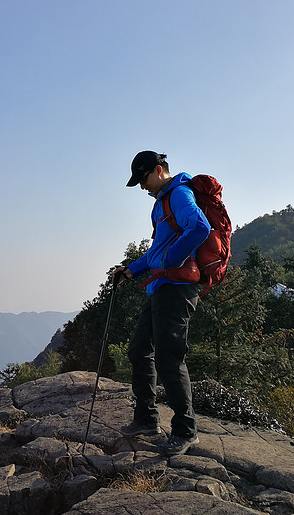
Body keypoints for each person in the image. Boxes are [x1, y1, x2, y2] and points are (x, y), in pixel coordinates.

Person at [112, 150, 211, 456]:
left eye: (143, 179)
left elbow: (200, 228)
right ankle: (146, 419)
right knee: (139, 349)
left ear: (158, 170)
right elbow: (157, 249)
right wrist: (131, 270)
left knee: (169, 357)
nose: (143, 187)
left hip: (177, 287)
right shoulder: (162, 203)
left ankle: (185, 431)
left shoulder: (179, 194)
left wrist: (172, 259)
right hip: (159, 286)